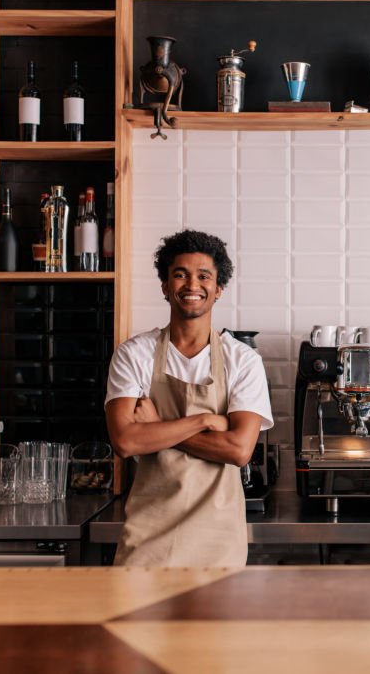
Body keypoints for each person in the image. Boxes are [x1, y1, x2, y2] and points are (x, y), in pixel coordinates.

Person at [104, 230, 273, 566]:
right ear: (166, 286)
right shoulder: (134, 354)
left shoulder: (243, 360)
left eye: (203, 276)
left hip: (218, 540)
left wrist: (158, 428)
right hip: (148, 535)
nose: (191, 285)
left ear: (218, 289)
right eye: (180, 274)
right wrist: (205, 421)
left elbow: (239, 450)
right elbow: (125, 441)